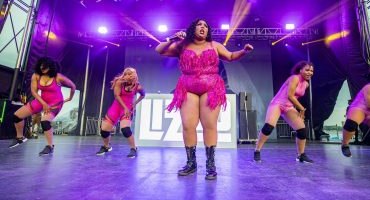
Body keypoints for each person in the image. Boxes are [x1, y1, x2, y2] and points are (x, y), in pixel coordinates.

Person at [155, 19, 253, 180]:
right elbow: (159, 50)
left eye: (206, 26)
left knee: (209, 125)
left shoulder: (215, 45)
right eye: (200, 25)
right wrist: (173, 38)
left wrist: (244, 51)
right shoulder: (182, 45)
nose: (203, 27)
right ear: (193, 28)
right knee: (188, 125)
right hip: (188, 87)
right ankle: (191, 163)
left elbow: (230, 56)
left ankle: (210, 165)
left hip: (211, 87)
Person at [8, 57, 76, 156]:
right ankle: (20, 138)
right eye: (41, 66)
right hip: (42, 101)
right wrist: (44, 104)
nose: (42, 68)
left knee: (45, 122)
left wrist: (69, 98)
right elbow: (34, 92)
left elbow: (73, 86)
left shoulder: (58, 77)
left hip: (55, 103)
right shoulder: (36, 76)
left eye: (44, 67)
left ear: (50, 67)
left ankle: (50, 146)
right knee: (17, 116)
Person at [254, 61, 314, 163]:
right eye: (307, 70)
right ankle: (257, 150)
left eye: (312, 71)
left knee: (302, 130)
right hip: (277, 104)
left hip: (288, 107)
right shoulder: (294, 78)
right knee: (268, 128)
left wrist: (296, 109)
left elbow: (294, 97)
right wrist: (302, 109)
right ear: (300, 70)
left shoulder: (306, 84)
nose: (310, 73)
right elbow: (290, 95)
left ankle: (301, 155)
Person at [96, 67, 145, 158]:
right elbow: (116, 96)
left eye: (129, 74)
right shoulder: (119, 82)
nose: (126, 76)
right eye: (125, 74)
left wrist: (134, 103)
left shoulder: (137, 86)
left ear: (134, 76)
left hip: (127, 108)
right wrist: (125, 108)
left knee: (126, 130)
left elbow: (143, 94)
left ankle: (133, 149)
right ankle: (106, 146)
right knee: (104, 131)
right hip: (117, 107)